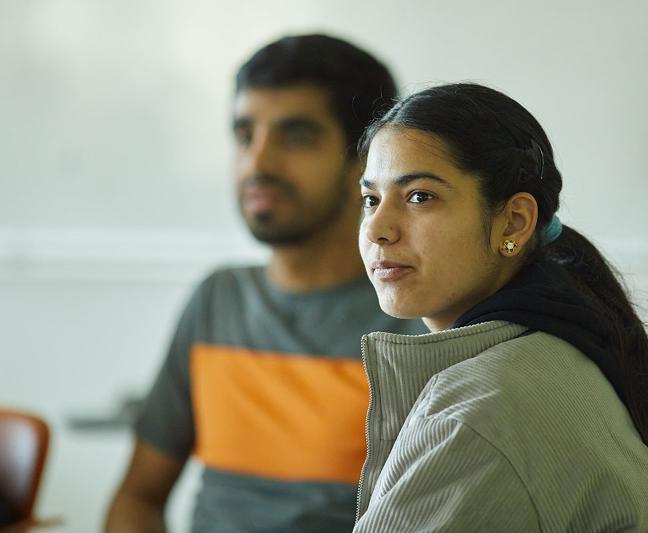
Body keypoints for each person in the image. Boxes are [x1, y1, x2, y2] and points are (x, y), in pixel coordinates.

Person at [354, 83, 648, 532]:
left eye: (419, 197)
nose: (377, 229)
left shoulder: (477, 413)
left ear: (514, 221)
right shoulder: (556, 349)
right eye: (371, 199)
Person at [104, 34, 425, 533]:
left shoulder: (419, 322)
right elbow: (137, 499)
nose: (258, 163)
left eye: (296, 136)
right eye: (244, 135)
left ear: (368, 162)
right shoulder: (218, 300)